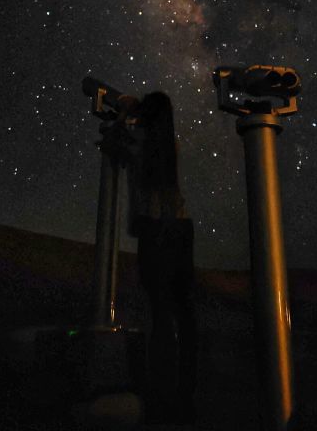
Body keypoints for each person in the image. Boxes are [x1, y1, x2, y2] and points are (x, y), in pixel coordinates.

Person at [112, 91, 198, 424]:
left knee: (159, 313)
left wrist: (123, 111)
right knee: (185, 315)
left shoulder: (137, 139)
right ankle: (185, 392)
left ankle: (159, 391)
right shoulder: (168, 145)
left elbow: (113, 143)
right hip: (181, 227)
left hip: (154, 228)